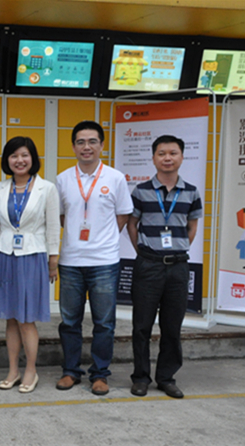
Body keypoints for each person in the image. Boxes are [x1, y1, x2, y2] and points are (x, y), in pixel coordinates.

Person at [56, 121, 133, 395]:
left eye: (92, 141)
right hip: (71, 261)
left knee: (104, 323)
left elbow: (123, 215)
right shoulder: (63, 179)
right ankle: (71, 371)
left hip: (104, 262)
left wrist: (102, 239)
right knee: (69, 322)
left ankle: (100, 375)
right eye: (80, 142)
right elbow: (62, 217)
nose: (86, 147)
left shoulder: (115, 178)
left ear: (101, 145)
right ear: (73, 146)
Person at [127, 135, 201, 399]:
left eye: (173, 153)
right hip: (148, 265)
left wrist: (176, 249)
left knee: (172, 326)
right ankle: (140, 378)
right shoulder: (140, 191)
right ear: (153, 158)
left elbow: (192, 227)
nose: (167, 158)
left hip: (178, 267)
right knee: (141, 326)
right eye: (161, 153)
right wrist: (144, 252)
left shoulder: (191, 192)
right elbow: (132, 225)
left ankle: (166, 378)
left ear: (181, 156)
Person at [0, 136, 60, 394]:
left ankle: (31, 369)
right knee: (10, 318)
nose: (19, 160)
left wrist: (53, 259)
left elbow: (53, 225)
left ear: (33, 158)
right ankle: (13, 370)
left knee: (26, 318)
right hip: (5, 255)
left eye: (24, 155)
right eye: (14, 156)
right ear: (7, 160)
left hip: (32, 255)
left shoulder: (46, 188)